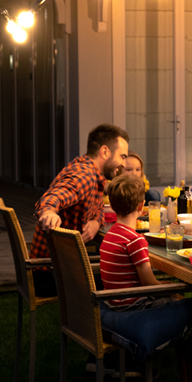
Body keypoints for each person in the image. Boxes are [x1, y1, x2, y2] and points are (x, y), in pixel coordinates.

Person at [98, 173, 192, 382]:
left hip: (116, 302)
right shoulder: (135, 240)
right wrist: (174, 286)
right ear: (141, 206)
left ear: (112, 204)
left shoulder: (110, 235)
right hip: (135, 305)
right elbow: (148, 282)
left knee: (181, 305)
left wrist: (166, 285)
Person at [30, 125, 130, 300]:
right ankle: (106, 325)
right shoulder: (84, 176)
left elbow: (98, 207)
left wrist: (96, 222)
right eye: (122, 156)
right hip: (50, 274)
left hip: (58, 266)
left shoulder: (91, 172)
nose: (124, 164)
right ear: (105, 151)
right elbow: (54, 196)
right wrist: (48, 213)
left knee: (117, 269)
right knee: (125, 277)